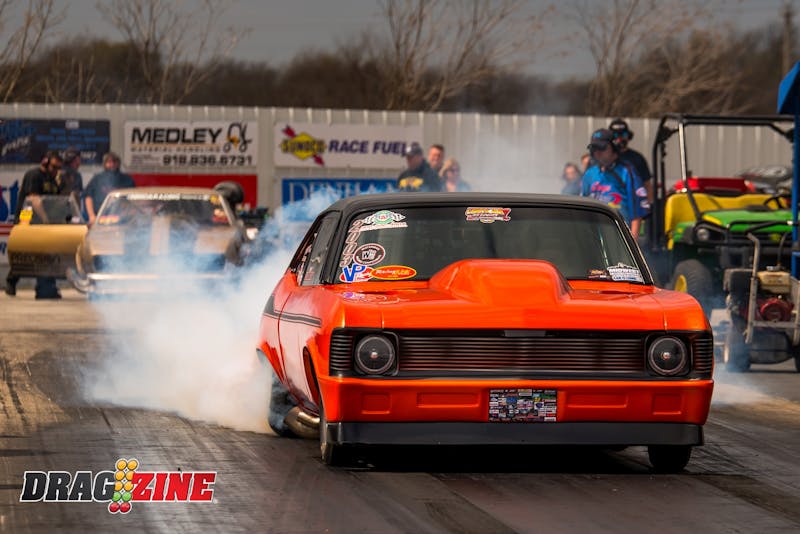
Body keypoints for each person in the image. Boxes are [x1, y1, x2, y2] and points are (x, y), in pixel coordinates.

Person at [5, 151, 64, 298]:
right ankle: (11, 281)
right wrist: (45, 219)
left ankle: (45, 287)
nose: (56, 171)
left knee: (47, 254)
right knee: (24, 253)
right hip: (27, 217)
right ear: (45, 162)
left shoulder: (53, 179)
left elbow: (57, 200)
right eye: (54, 167)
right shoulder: (34, 175)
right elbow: (33, 198)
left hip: (45, 221)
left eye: (58, 168)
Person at [581, 128, 648, 240]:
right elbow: (582, 206)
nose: (597, 152)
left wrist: (633, 242)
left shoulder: (626, 171)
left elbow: (637, 212)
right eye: (594, 148)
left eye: (602, 148)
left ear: (614, 147)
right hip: (593, 236)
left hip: (619, 236)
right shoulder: (589, 174)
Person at [84, 151, 136, 225]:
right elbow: (88, 197)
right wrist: (91, 216)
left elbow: (133, 200)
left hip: (121, 219)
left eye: (114, 162)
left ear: (118, 163)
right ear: (104, 164)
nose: (112, 164)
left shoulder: (127, 179)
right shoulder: (97, 179)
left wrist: (128, 215)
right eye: (109, 162)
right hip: (100, 219)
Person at [609, 118, 653, 202]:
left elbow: (647, 185)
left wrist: (650, 204)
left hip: (633, 203)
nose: (619, 139)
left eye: (623, 135)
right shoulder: (605, 157)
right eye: (615, 135)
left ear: (629, 136)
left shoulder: (637, 158)